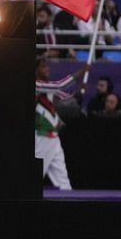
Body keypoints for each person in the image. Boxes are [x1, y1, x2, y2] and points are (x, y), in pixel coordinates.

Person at [35, 56, 88, 191]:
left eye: (47, 66)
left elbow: (66, 99)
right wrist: (82, 71)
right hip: (41, 135)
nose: (47, 68)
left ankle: (69, 200)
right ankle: (22, 202)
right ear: (35, 70)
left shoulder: (49, 88)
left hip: (53, 137)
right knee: (34, 175)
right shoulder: (35, 84)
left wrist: (78, 95)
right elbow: (60, 84)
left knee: (63, 178)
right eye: (43, 66)